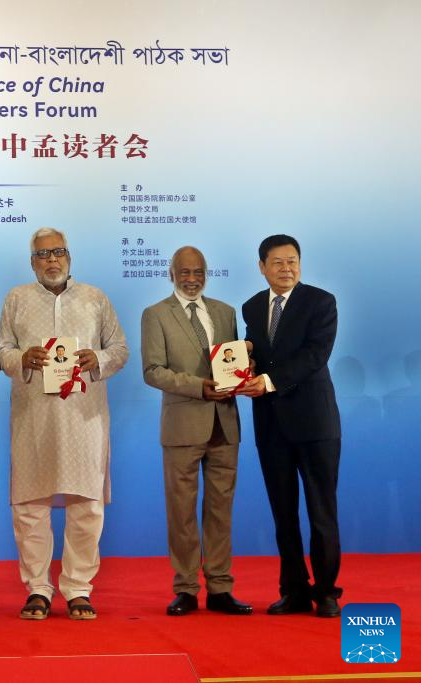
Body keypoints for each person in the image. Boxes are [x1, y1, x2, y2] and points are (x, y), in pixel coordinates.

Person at [0, 228, 128, 621]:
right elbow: (2, 351)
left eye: (58, 252)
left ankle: (78, 589)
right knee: (30, 507)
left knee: (86, 505)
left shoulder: (95, 298)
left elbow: (119, 348)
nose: (51, 260)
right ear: (32, 261)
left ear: (69, 257)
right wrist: (23, 358)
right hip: (33, 415)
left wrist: (97, 360)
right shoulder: (17, 298)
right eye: (42, 254)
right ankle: (37, 588)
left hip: (84, 417)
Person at [140, 246, 253, 617]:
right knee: (182, 512)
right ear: (171, 274)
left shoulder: (225, 312)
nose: (192, 279)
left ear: (207, 274)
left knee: (221, 511)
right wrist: (196, 386)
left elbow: (233, 363)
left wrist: (245, 367)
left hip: (226, 424)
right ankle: (186, 588)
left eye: (198, 272)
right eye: (184, 272)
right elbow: (153, 370)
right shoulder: (155, 314)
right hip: (182, 425)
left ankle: (220, 588)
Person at [236, 235, 342, 618]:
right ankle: (294, 590)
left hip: (315, 423)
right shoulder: (250, 306)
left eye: (292, 261)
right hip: (271, 425)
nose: (286, 269)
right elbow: (256, 350)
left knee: (321, 512)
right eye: (277, 262)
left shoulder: (320, 302)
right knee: (283, 513)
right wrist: (244, 359)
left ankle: (327, 591)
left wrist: (266, 381)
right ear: (261, 266)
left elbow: (316, 355)